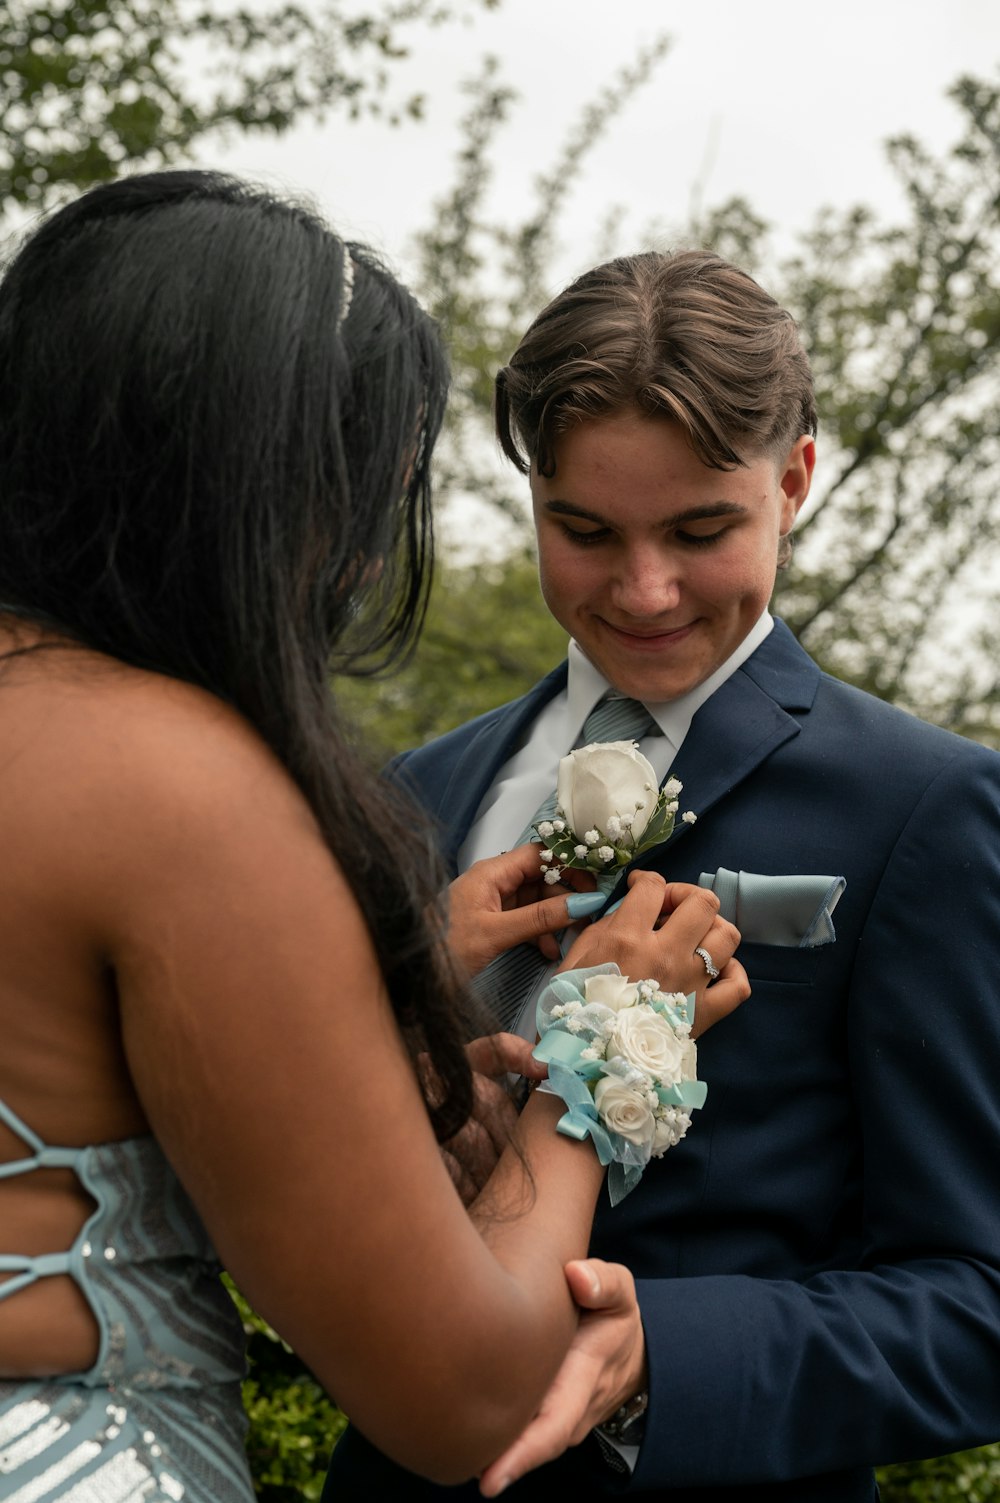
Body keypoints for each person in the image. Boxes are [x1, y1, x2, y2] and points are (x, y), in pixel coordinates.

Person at [0, 176, 749, 1503]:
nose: (353, 565)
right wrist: (609, 1038)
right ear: (268, 490)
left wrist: (375, 999)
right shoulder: (180, 789)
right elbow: (469, 1392)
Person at [325, 249, 1000, 1502]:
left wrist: (666, 1361)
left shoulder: (926, 806)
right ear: (530, 494)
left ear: (792, 483)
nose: (643, 592)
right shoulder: (414, 793)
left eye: (700, 531)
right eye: (583, 531)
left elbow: (976, 1299)